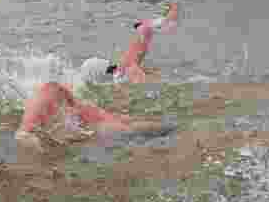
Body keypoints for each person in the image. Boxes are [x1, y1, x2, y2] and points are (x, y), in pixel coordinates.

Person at [14, 58, 164, 153]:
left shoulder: (62, 93)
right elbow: (23, 135)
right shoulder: (52, 92)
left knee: (128, 125)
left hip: (95, 127)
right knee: (129, 125)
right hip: (96, 126)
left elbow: (24, 133)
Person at [117, 2, 179, 83]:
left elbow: (166, 21)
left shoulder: (143, 31)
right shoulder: (145, 28)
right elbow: (166, 21)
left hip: (130, 64)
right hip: (131, 64)